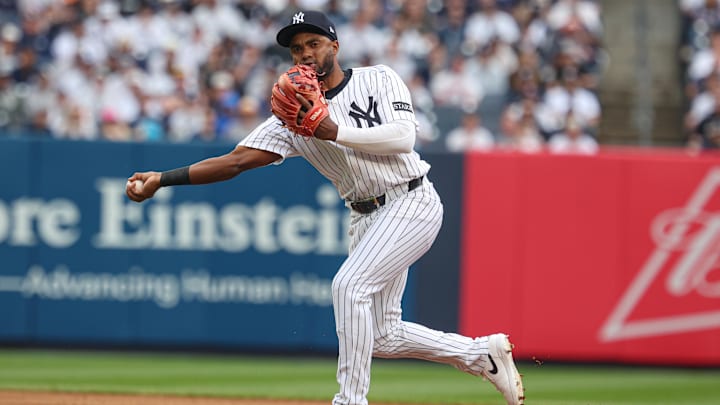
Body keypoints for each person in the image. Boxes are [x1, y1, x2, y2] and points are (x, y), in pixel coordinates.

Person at [125, 10, 524, 405]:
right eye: (297, 49)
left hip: (411, 199)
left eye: (313, 44)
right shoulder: (290, 117)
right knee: (382, 335)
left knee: (348, 286)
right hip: (365, 217)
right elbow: (236, 160)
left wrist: (333, 131)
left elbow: (404, 137)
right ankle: (478, 354)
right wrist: (163, 178)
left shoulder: (378, 78)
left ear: (334, 46)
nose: (305, 54)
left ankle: (350, 401)